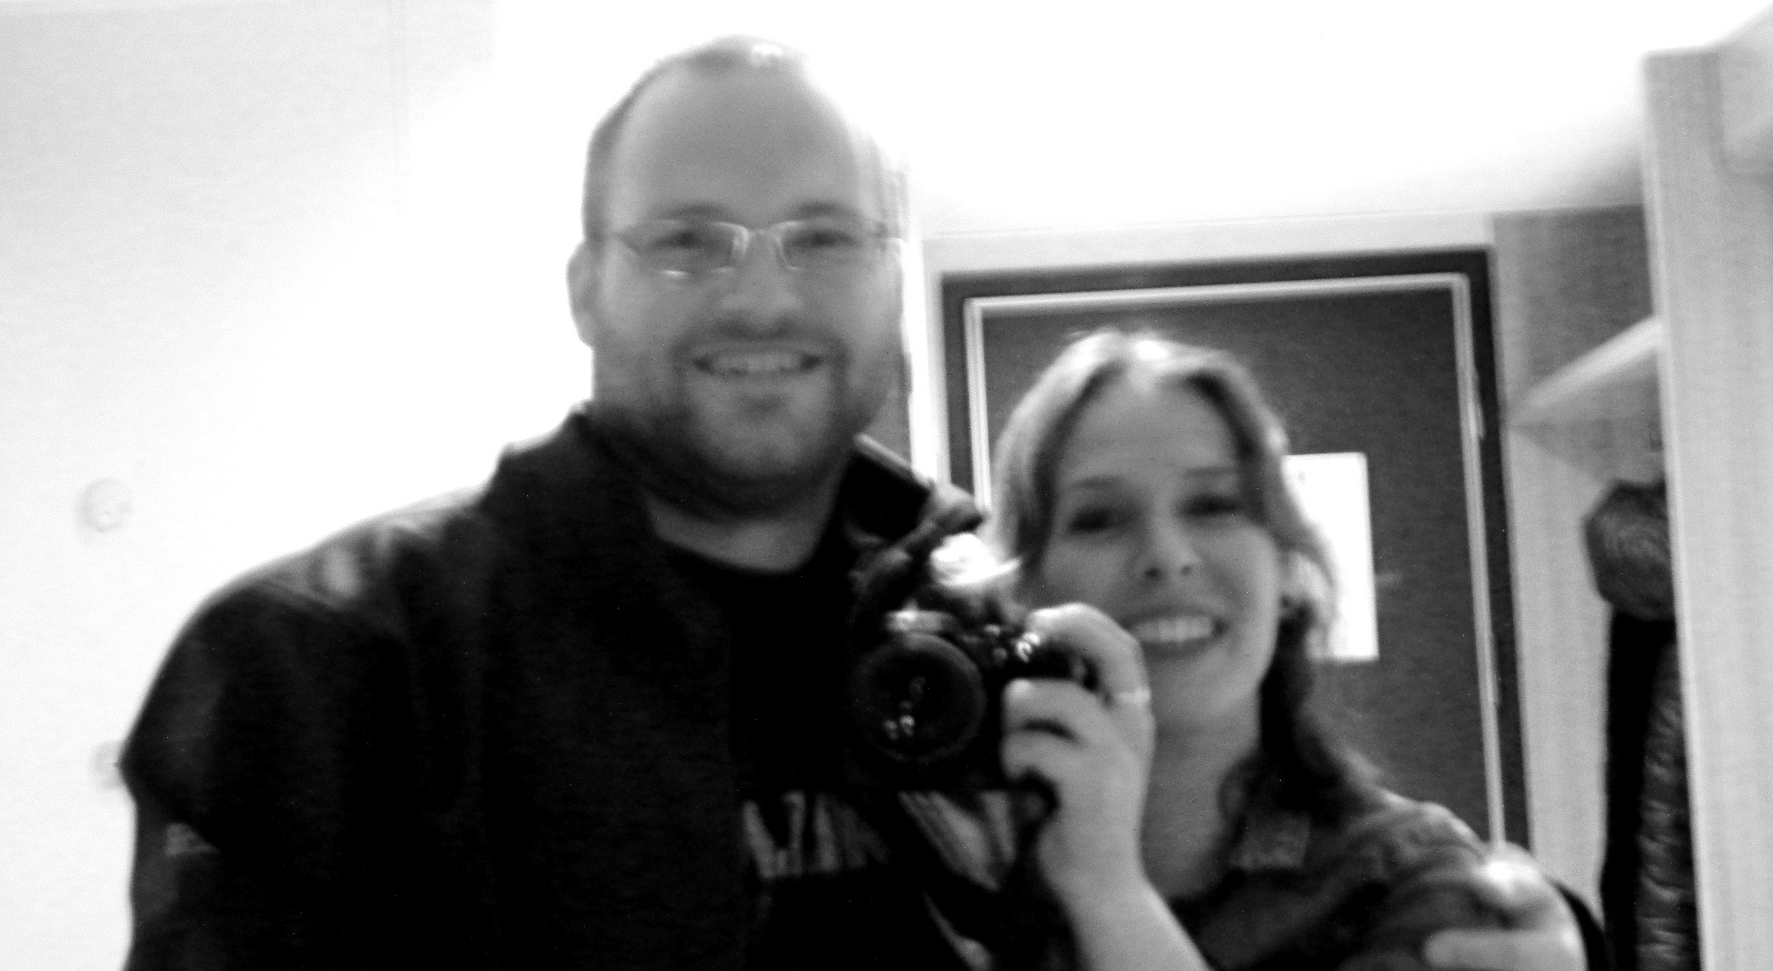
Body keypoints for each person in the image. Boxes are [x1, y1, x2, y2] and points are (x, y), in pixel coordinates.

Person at [118, 35, 1597, 971]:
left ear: (895, 285)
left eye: (823, 238)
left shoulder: (963, 634)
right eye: (690, 240)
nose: (762, 292)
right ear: (585, 288)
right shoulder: (333, 665)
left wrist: (1539, 923)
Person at [925, 328, 1595, 970]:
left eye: (1214, 504)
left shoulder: (1408, 880)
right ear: (1024, 590)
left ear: (1286, 572)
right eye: (1099, 518)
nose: (1168, 555)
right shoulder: (939, 872)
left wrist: (1108, 893)